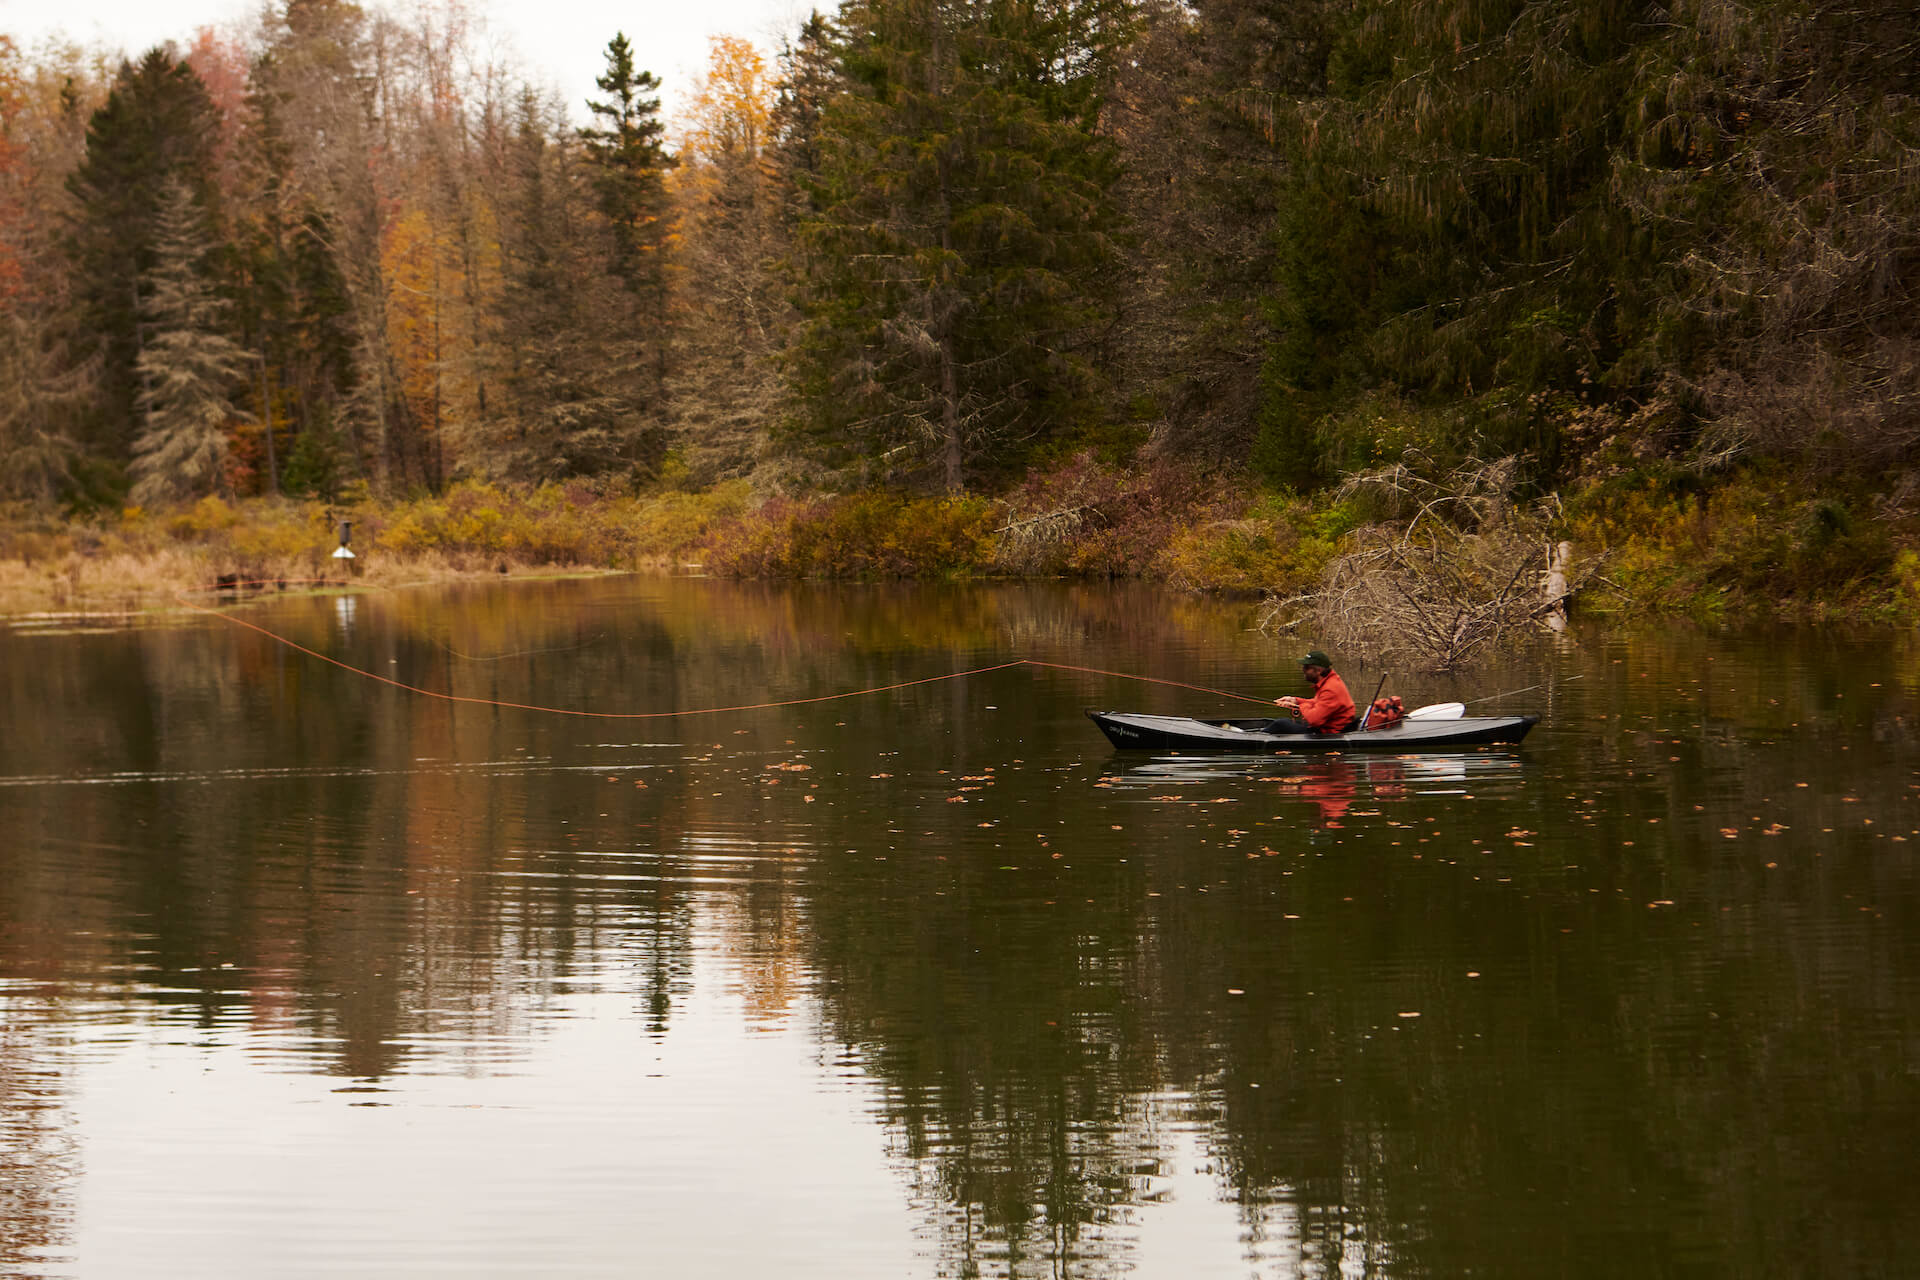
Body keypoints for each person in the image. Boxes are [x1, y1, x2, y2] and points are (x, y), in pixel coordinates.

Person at [1267, 649, 1358, 735]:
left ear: (1318, 670)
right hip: (1325, 728)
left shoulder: (1330, 689)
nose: (1303, 670)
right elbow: (1319, 703)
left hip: (1330, 733)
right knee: (1282, 723)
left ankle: (1260, 737)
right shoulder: (1329, 682)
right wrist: (1296, 701)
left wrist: (1302, 706)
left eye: (1306, 668)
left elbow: (1314, 720)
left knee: (1281, 724)